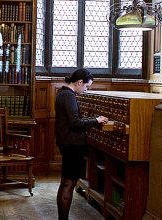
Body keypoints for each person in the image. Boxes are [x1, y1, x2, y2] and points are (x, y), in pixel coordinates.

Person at [54, 69, 108, 220]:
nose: (86, 90)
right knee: (69, 184)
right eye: (86, 86)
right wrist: (96, 121)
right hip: (72, 145)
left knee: (65, 182)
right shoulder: (68, 96)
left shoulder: (62, 94)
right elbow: (75, 123)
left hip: (66, 143)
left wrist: (93, 119)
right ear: (79, 82)